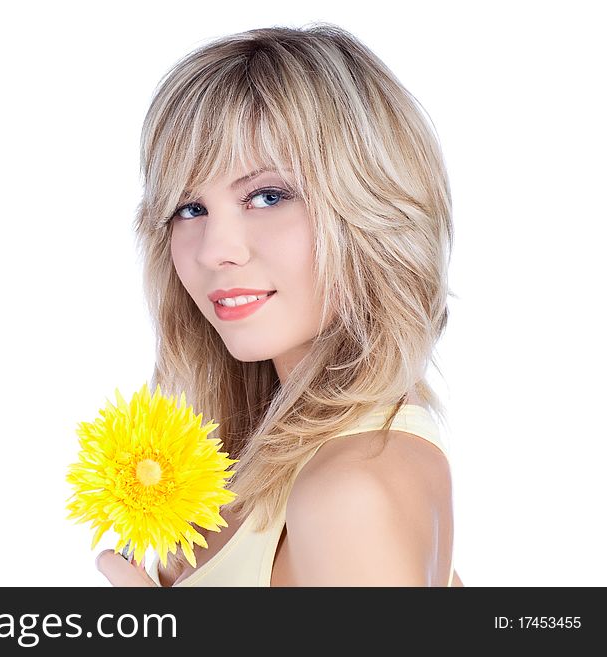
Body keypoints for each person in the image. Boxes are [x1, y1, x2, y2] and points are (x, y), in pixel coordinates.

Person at [96, 22, 464, 587]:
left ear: (370, 207)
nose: (216, 250)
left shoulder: (349, 493)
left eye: (267, 196)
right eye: (189, 208)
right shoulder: (285, 470)